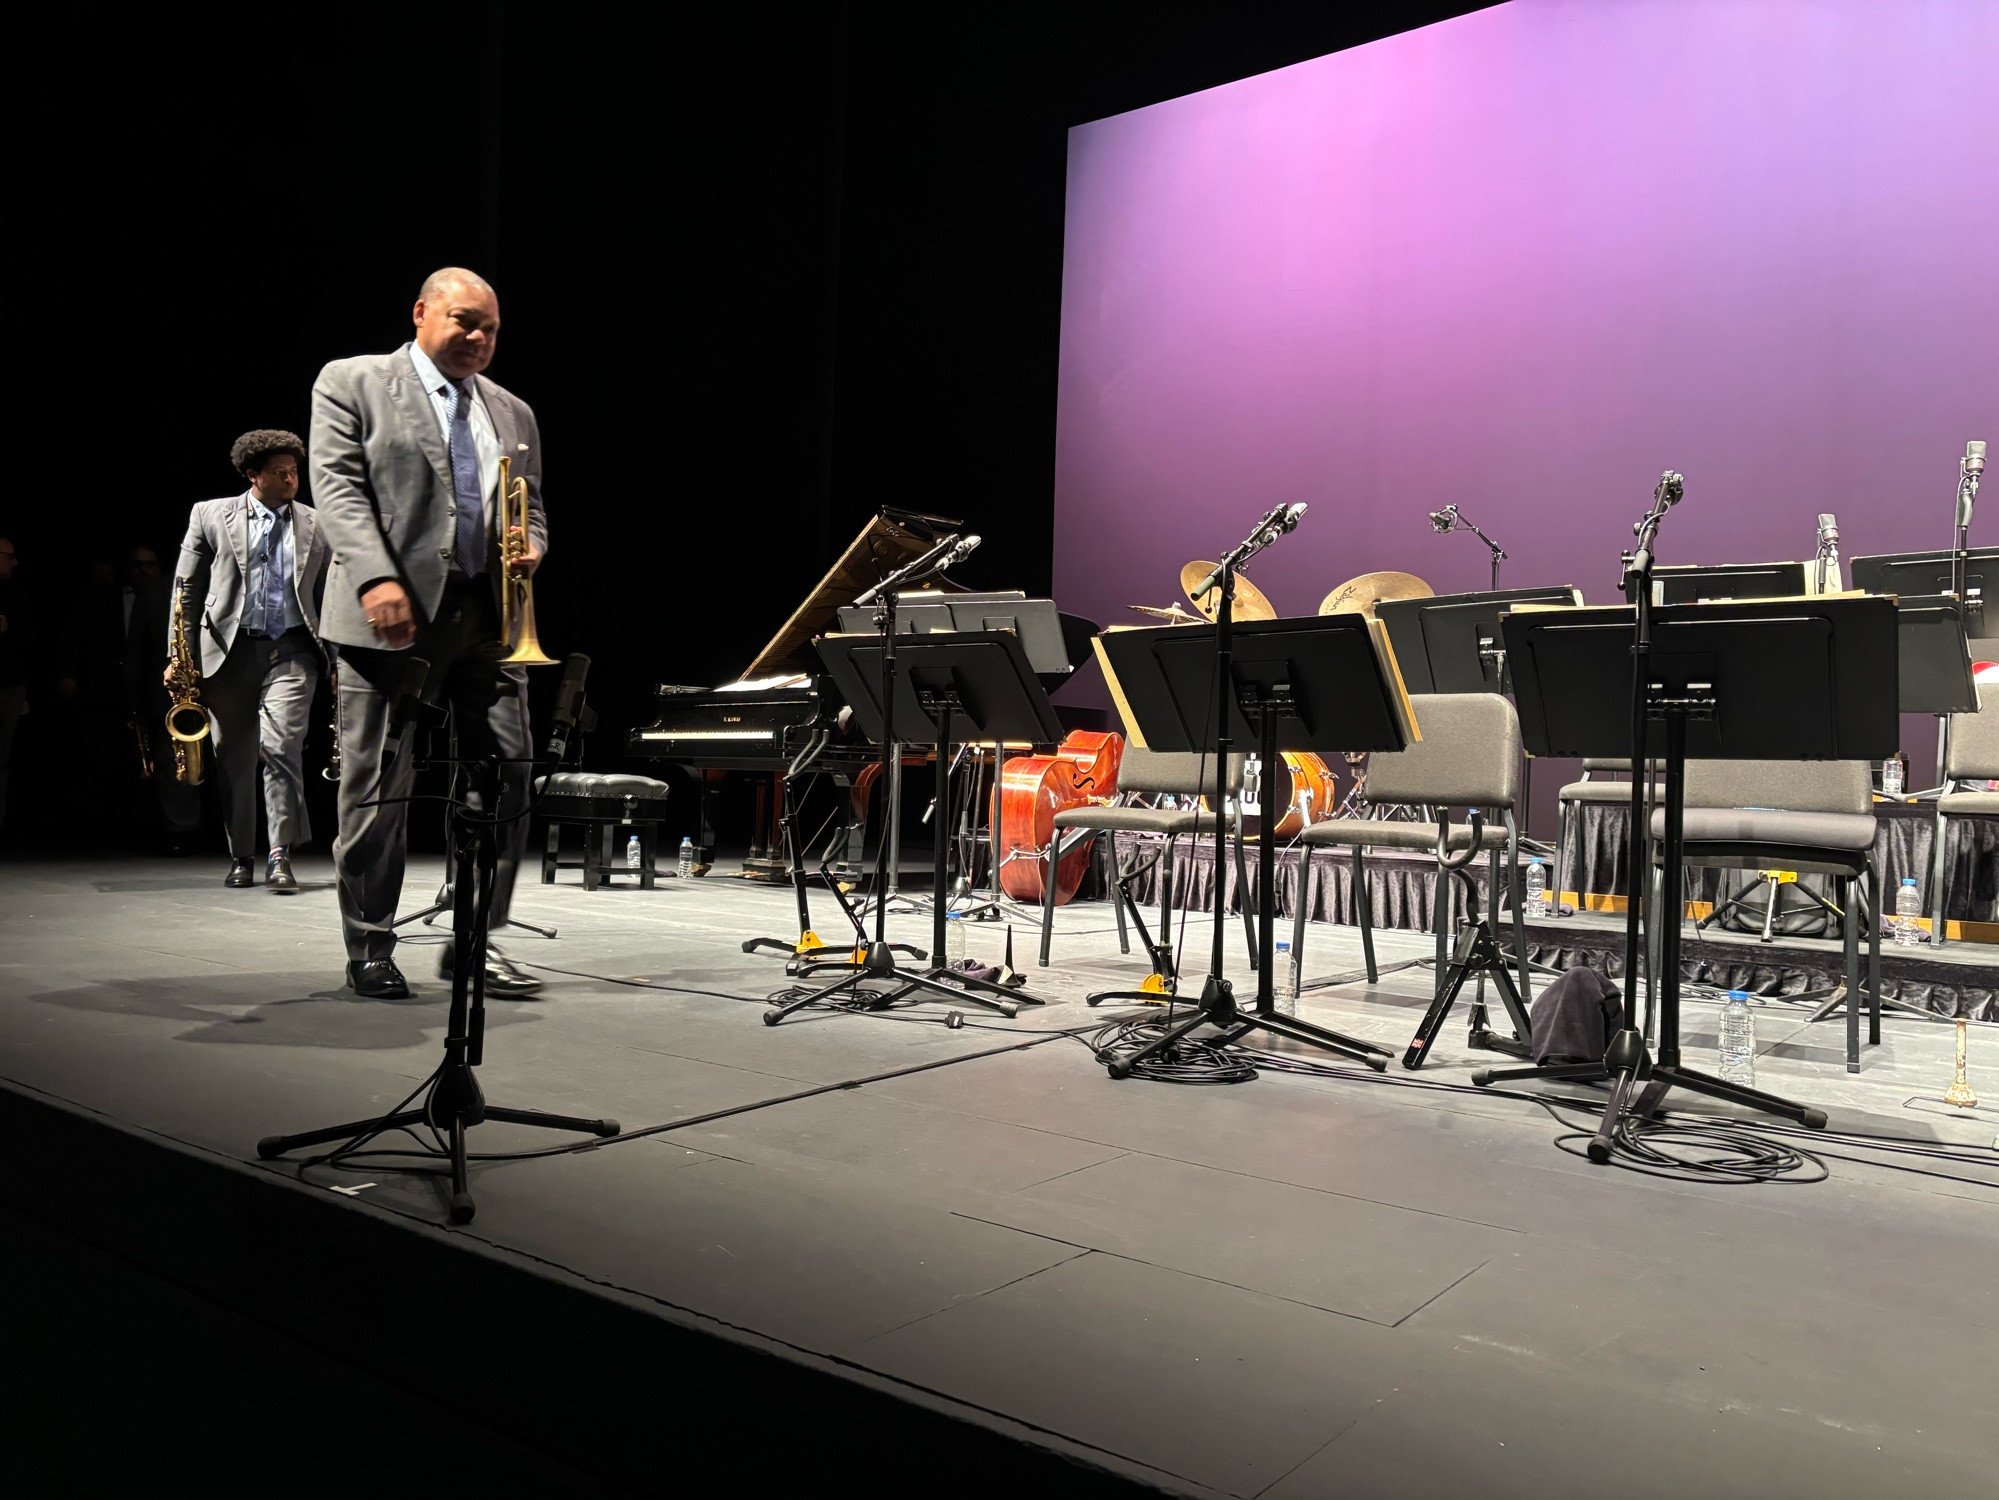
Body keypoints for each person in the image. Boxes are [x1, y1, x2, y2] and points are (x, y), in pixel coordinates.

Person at [311, 268, 545, 999]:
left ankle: (473, 940)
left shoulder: (513, 411)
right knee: (377, 786)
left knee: (507, 773)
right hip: (390, 614)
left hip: (487, 616)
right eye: (465, 322)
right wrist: (374, 577)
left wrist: (533, 544)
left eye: (491, 329)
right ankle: (371, 944)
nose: (478, 338)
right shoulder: (353, 382)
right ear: (420, 313)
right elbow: (338, 486)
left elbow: (530, 507)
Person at [170, 432, 329, 890]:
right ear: (252, 475)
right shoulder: (210, 514)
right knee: (234, 758)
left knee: (281, 749)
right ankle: (242, 854)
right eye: (279, 472)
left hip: (295, 649)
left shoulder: (317, 523)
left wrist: (339, 660)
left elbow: (329, 595)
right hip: (228, 651)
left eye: (294, 470)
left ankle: (280, 854)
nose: (290, 478)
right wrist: (177, 655)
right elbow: (186, 591)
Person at [0, 537, 27, 832]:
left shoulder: (16, 595)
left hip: (8, 684)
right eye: (10, 555)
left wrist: (10, 629)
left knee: (2, 757)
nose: (15, 562)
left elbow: (33, 637)